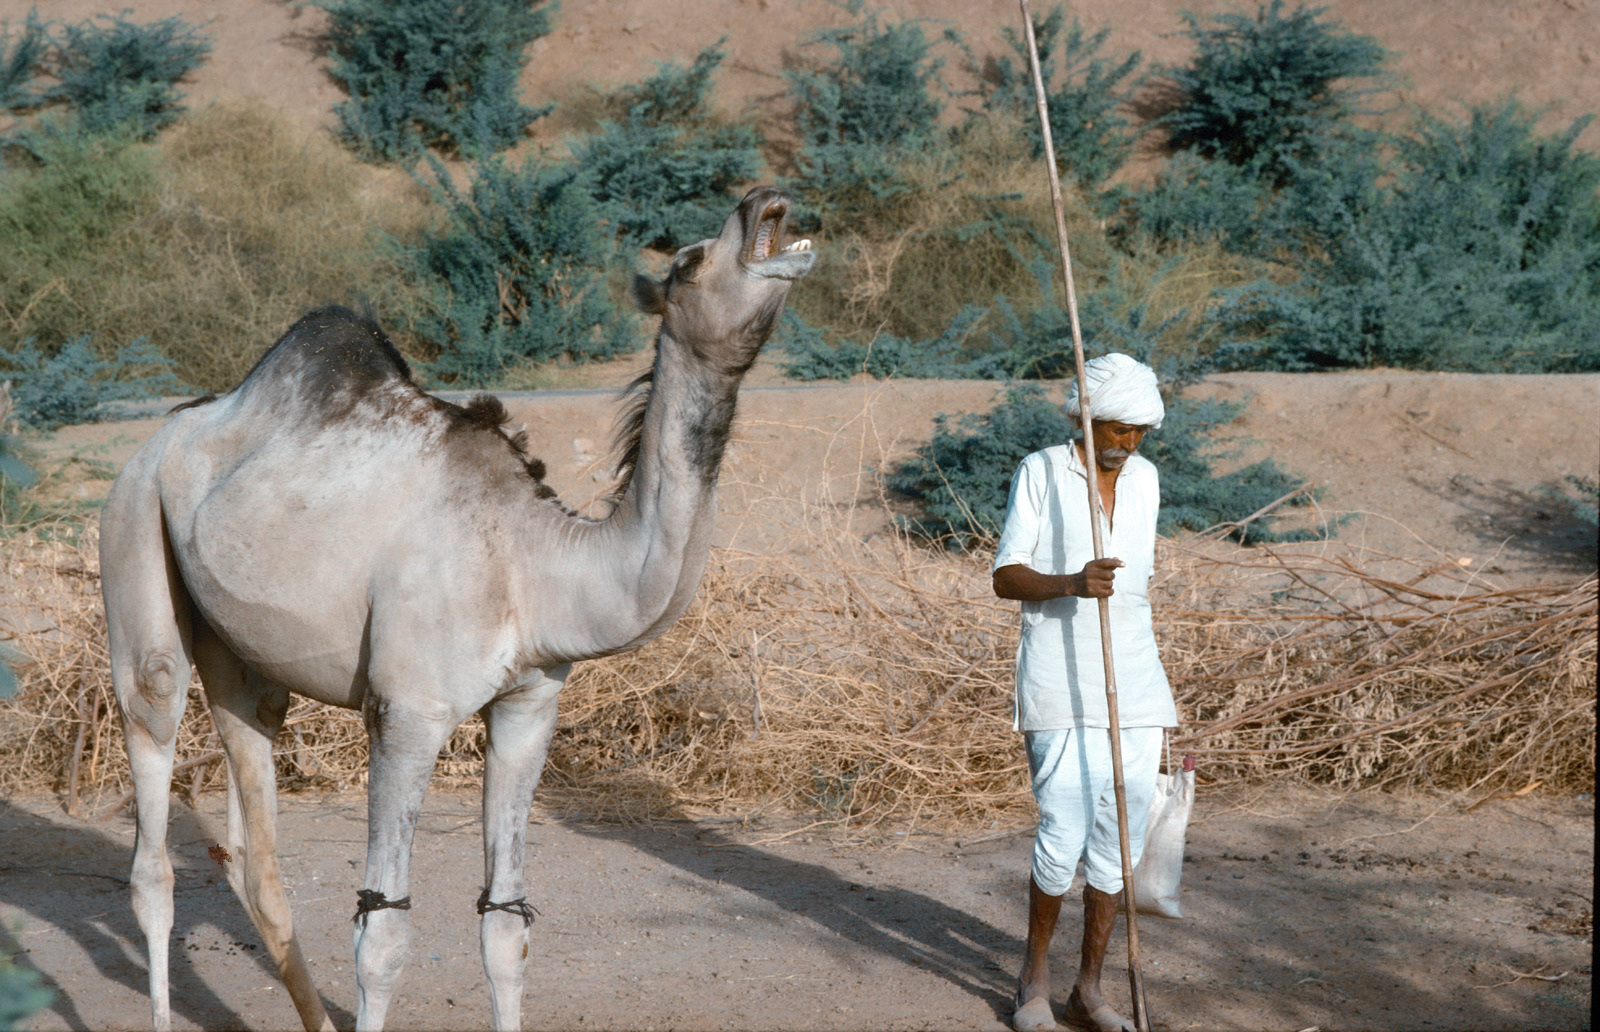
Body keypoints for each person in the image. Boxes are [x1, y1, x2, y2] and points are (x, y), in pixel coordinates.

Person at [991, 353, 1177, 1032]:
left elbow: (1138, 590)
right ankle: (1032, 984)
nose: (1126, 444)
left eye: (1138, 433)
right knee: (1062, 830)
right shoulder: (1041, 470)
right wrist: (1071, 582)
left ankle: (1089, 991)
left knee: (1118, 842)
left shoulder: (1147, 480)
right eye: (1116, 428)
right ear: (1085, 415)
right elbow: (1006, 577)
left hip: (1134, 678)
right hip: (1058, 677)